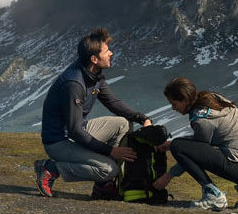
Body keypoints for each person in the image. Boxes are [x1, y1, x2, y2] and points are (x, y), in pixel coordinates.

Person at [34, 28, 151, 198]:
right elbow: (75, 130)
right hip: (59, 142)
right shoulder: (74, 83)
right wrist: (110, 151)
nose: (111, 53)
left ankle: (104, 186)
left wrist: (143, 118)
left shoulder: (93, 74)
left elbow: (113, 102)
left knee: (123, 124)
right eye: (106, 51)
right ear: (94, 59)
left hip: (77, 131)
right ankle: (51, 168)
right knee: (108, 169)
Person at [152, 77, 238, 211]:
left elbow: (195, 153)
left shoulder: (200, 118)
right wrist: (170, 145)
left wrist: (169, 175)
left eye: (174, 104)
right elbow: (202, 144)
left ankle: (213, 195)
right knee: (177, 145)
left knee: (178, 146)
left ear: (185, 99)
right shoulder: (212, 99)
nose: (173, 108)